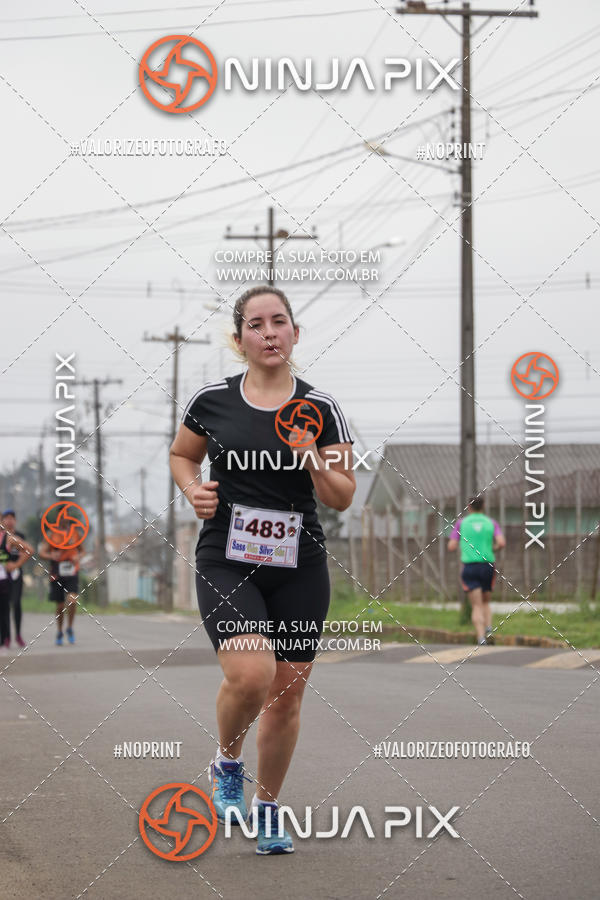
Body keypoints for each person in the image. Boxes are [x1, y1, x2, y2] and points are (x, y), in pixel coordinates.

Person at [169, 285, 356, 855]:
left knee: (287, 694)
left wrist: (312, 458)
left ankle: (269, 808)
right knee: (252, 676)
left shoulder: (321, 409)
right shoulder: (212, 401)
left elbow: (343, 495)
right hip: (227, 558)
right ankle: (228, 762)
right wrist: (192, 490)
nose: (269, 332)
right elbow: (182, 456)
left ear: (295, 333)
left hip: (299, 564)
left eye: (280, 321)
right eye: (256, 324)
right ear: (240, 338)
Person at [448, 496, 506, 645]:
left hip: (469, 567)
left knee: (476, 605)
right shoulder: (491, 523)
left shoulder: (462, 523)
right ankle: (488, 627)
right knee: (486, 602)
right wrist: (492, 548)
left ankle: (481, 637)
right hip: (487, 565)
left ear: (469, 507)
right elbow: (501, 543)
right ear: (483, 506)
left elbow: (451, 546)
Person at [39, 540, 83, 646]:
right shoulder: (51, 534)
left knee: (72, 600)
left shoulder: (74, 532)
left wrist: (78, 556)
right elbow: (41, 553)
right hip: (56, 572)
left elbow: (82, 551)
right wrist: (51, 555)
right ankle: (59, 631)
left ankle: (70, 628)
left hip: (72, 571)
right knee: (60, 605)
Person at [0, 509, 34, 648]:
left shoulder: (11, 537)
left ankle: (16, 635)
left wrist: (15, 565)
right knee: (2, 607)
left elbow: (29, 550)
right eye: (6, 518)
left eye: (11, 518)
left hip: (12, 576)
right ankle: (5, 637)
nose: (8, 520)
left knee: (14, 604)